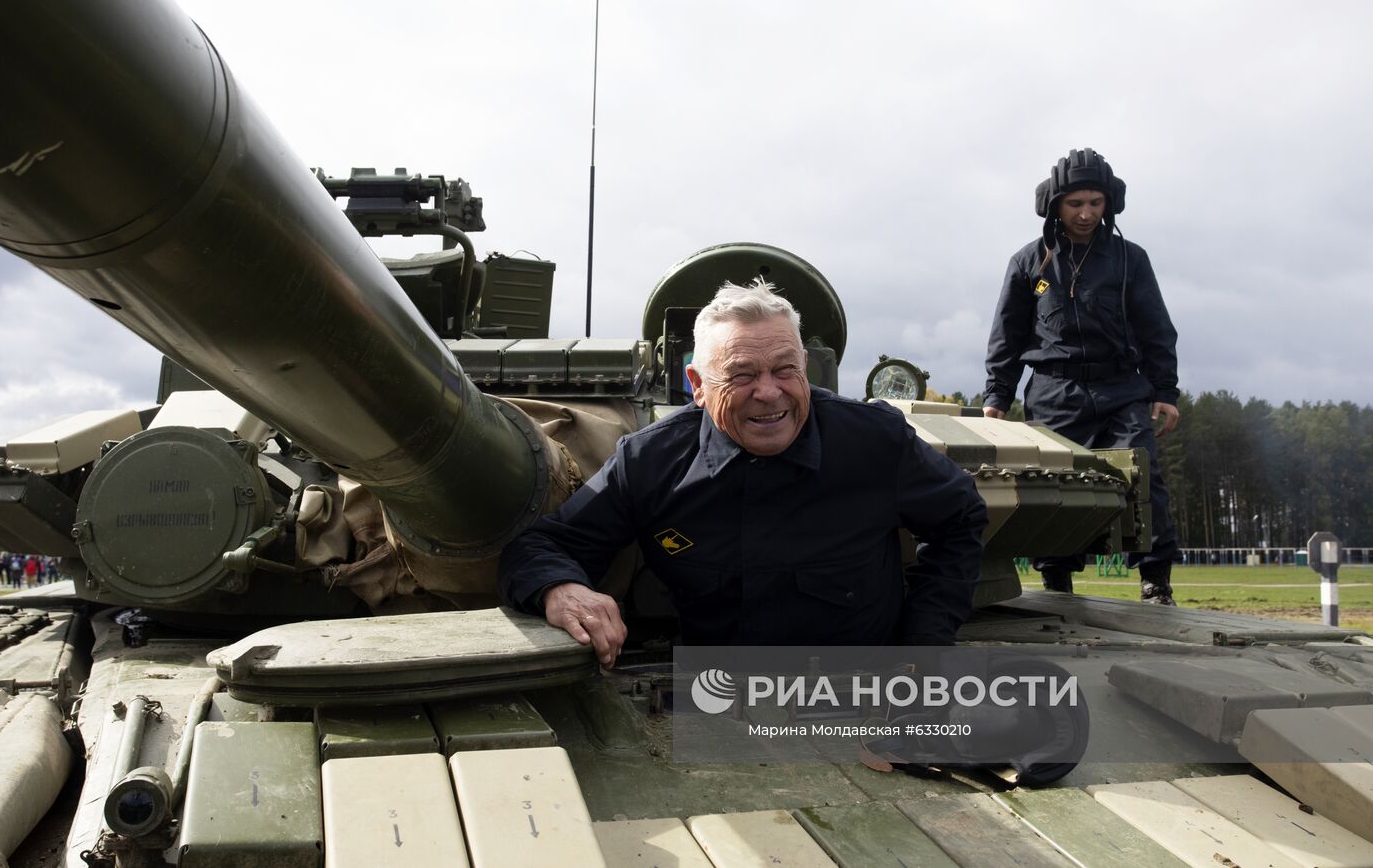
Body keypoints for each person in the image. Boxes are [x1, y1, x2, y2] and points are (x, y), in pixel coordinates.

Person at [500, 279, 988, 667]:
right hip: (722, 703)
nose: (770, 392)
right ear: (697, 385)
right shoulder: (651, 463)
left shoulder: (875, 443)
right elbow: (541, 546)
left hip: (860, 693)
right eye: (741, 375)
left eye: (785, 369)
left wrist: (925, 645)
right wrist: (561, 589)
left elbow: (961, 518)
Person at [983, 148, 1181, 605]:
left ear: (1110, 203)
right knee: (1050, 486)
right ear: (1055, 205)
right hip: (1055, 389)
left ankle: (1156, 582)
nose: (1087, 213)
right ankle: (1057, 582)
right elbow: (1007, 335)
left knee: (1142, 476)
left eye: (1095, 203)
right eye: (1076, 204)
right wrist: (997, 394)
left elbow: (1156, 328)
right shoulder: (1029, 263)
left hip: (1121, 386)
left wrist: (1165, 391)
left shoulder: (1130, 259)